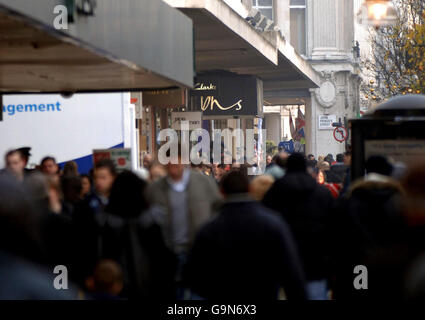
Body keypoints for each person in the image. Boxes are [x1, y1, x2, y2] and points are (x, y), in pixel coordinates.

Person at [183, 171, 307, 300]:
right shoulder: (272, 224)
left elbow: (193, 276)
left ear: (221, 192)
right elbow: (291, 270)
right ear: (250, 189)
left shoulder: (209, 229)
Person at [147, 145, 222, 299]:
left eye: (176, 158)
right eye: (168, 159)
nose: (172, 163)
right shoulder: (155, 189)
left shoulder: (203, 183)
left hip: (198, 252)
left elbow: (217, 211)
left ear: (184, 160)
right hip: (168, 253)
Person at [263, 153, 335, 300]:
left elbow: (265, 223)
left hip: (282, 259)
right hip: (315, 259)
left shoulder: (275, 191)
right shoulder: (322, 193)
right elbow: (333, 226)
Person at [95, 171, 176, 299]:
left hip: (115, 285)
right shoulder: (154, 219)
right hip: (153, 286)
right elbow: (165, 255)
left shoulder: (104, 221)